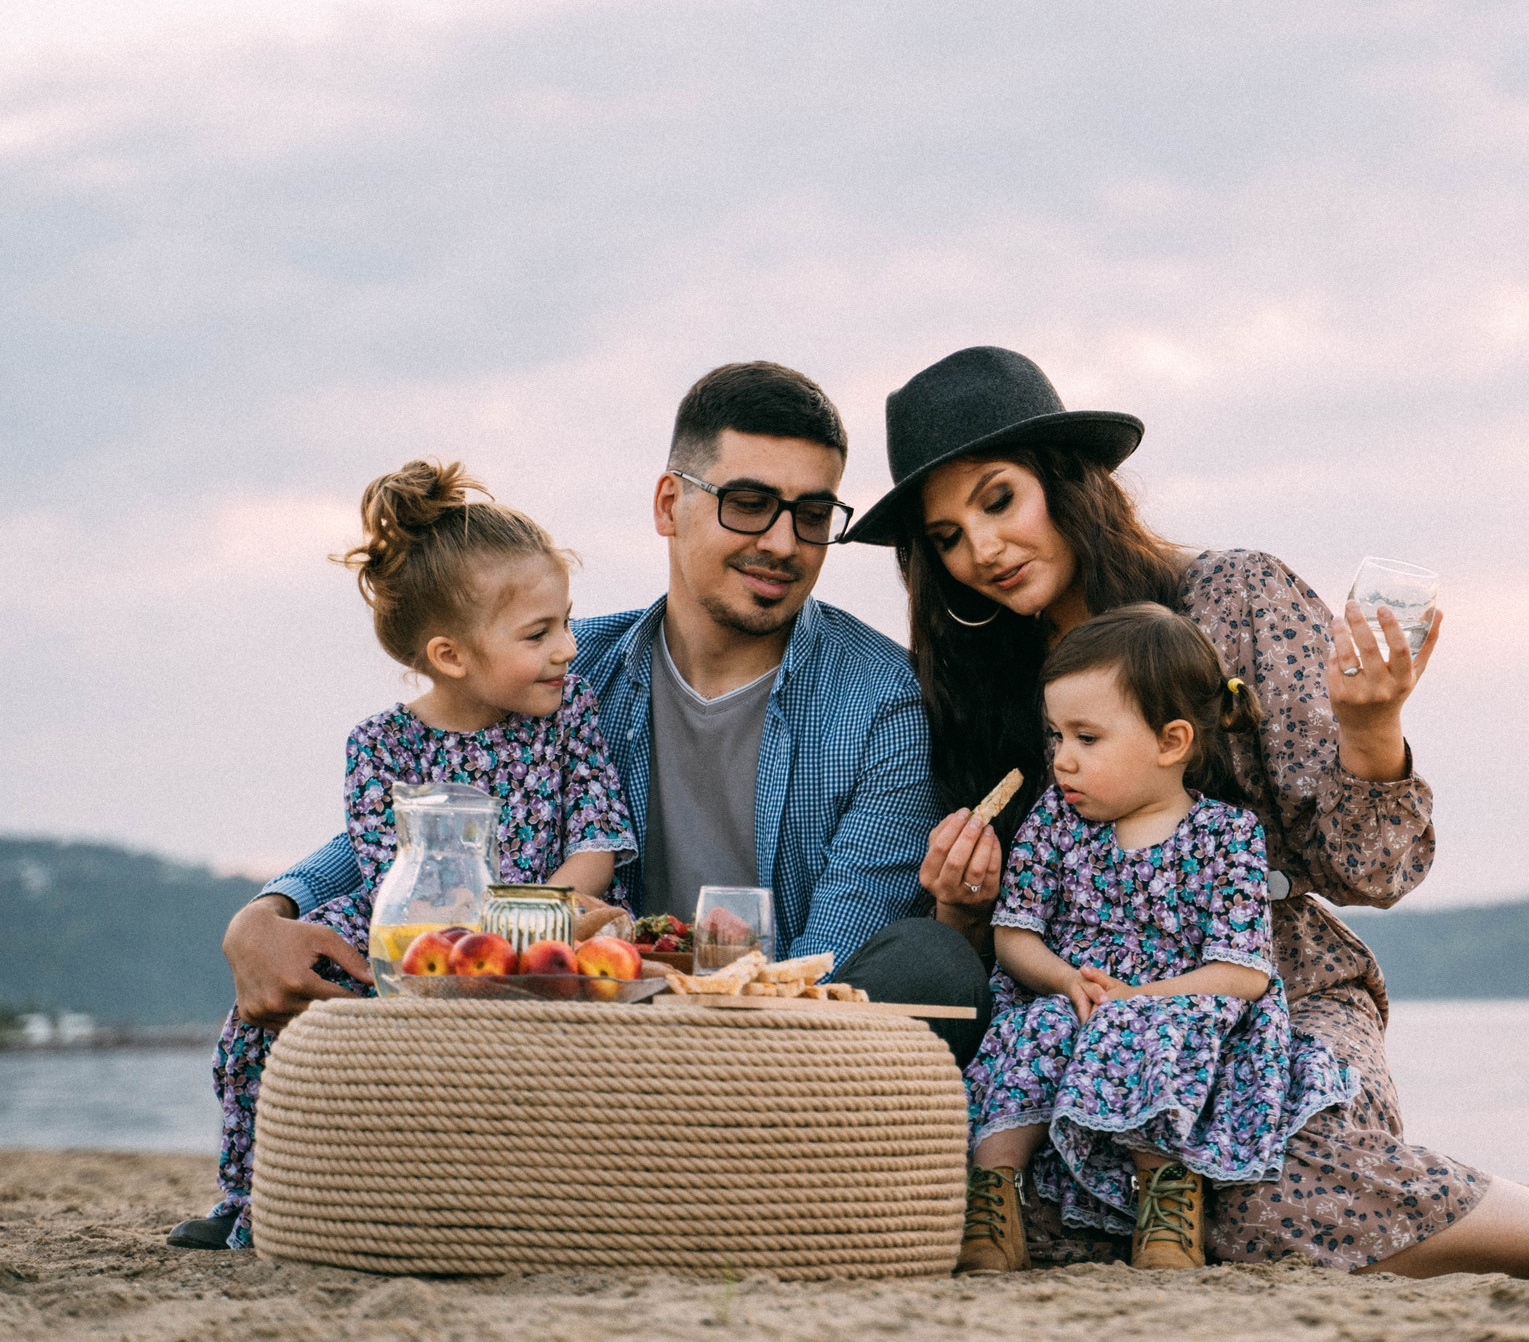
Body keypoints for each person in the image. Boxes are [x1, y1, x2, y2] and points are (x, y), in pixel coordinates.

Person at [849, 345, 1529, 1278]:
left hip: (1276, 992)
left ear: (1066, 482)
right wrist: (962, 905)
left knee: (1257, 1180)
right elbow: (1007, 929)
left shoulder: (1234, 599)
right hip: (1089, 1016)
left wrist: (1371, 732)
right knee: (1050, 1190)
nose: (981, 547)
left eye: (997, 501)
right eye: (947, 536)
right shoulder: (982, 697)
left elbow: (1372, 873)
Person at [179, 362, 992, 1247]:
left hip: (762, 1057)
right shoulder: (570, 670)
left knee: (924, 965)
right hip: (575, 1039)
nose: (784, 542)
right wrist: (270, 908)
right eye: (749, 502)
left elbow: (826, 967)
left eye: (810, 514)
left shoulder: (880, 700)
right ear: (668, 504)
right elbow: (433, 817)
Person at [187, 459, 639, 1251]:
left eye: (567, 620)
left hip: (539, 933)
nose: (569, 648)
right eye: (539, 633)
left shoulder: (569, 717)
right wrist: (458, 939)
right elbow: (388, 869)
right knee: (266, 1024)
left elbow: (596, 841)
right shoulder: (380, 743)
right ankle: (252, 1192)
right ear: (451, 654)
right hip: (410, 939)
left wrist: (532, 925)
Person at [958, 604, 1356, 1272]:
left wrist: (1142, 996)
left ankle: (1166, 1197)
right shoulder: (1055, 821)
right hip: (1070, 996)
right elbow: (1014, 935)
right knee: (1031, 1032)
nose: (1062, 761)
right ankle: (994, 1192)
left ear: (1171, 743)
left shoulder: (1226, 835)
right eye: (1056, 737)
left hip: (1178, 1003)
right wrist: (1065, 979)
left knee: (1149, 1030)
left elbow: (1242, 972)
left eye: (1087, 738)